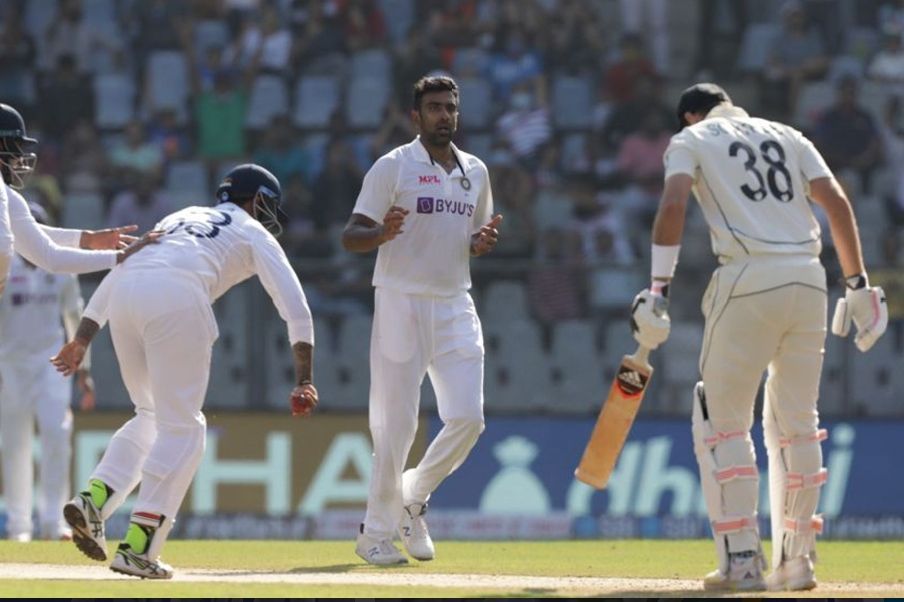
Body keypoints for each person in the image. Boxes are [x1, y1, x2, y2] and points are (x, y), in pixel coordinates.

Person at [630, 83, 888, 592]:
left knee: (720, 421)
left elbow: (674, 202)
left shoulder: (693, 138)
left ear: (688, 115)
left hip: (747, 277)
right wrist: (857, 284)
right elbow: (835, 199)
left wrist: (658, 289)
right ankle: (798, 564)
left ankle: (742, 563)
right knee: (796, 422)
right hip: (810, 279)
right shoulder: (788, 134)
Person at [51, 164, 319, 579]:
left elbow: (124, 266)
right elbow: (295, 308)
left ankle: (94, 500)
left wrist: (83, 337)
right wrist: (304, 378)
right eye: (270, 206)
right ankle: (139, 547)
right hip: (176, 298)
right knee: (185, 430)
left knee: (150, 416)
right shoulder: (252, 230)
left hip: (125, 297)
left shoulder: (180, 216)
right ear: (258, 200)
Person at [342, 75, 502, 566]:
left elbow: (474, 234)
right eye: (434, 108)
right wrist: (380, 234)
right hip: (400, 300)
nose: (444, 116)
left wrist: (478, 245)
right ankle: (375, 534)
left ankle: (412, 494)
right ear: (416, 116)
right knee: (396, 425)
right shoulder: (394, 166)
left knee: (469, 418)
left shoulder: (475, 171)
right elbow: (352, 235)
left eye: (450, 107)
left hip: (455, 301)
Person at [0, 203, 96, 542]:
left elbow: (76, 316)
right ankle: (19, 526)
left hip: (53, 364)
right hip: (8, 364)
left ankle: (54, 521)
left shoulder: (60, 268)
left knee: (57, 434)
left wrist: (84, 371)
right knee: (15, 445)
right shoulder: (3, 263)